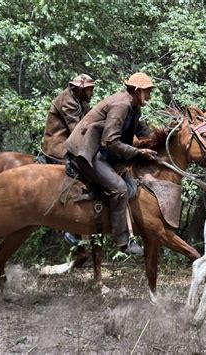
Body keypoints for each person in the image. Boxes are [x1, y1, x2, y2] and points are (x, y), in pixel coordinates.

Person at [65, 72, 157, 255]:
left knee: (131, 189)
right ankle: (122, 241)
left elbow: (144, 132)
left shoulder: (134, 107)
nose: (150, 96)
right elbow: (110, 141)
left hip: (102, 152)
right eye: (147, 92)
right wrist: (138, 152)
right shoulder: (121, 105)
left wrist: (165, 137)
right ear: (137, 91)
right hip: (86, 152)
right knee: (120, 188)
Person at [42, 73, 95, 163]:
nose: (92, 93)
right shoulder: (68, 101)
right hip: (59, 146)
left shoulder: (80, 99)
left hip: (69, 142)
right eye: (90, 90)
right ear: (80, 89)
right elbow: (76, 130)